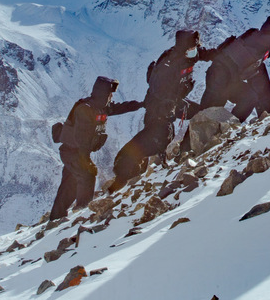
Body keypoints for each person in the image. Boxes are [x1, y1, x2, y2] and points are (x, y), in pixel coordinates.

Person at [108, 30, 216, 192]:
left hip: (173, 104)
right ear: (184, 49)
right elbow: (157, 89)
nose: (195, 51)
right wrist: (171, 102)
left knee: (200, 113)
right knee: (159, 136)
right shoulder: (169, 64)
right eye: (192, 48)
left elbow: (203, 54)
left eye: (195, 48)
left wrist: (225, 51)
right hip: (158, 108)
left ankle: (184, 149)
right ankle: (124, 173)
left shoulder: (187, 54)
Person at [49, 76, 142, 220]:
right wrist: (85, 160)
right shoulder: (85, 109)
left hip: (76, 152)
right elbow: (82, 139)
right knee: (87, 175)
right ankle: (82, 213)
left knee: (69, 185)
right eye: (109, 94)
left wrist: (141, 104)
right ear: (103, 93)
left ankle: (55, 218)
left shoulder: (100, 107)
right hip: (73, 151)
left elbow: (119, 108)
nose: (111, 97)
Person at [201, 16, 270, 121]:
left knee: (250, 97)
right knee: (208, 114)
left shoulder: (256, 40)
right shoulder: (260, 38)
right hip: (219, 77)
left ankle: (228, 127)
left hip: (231, 80)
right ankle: (192, 136)